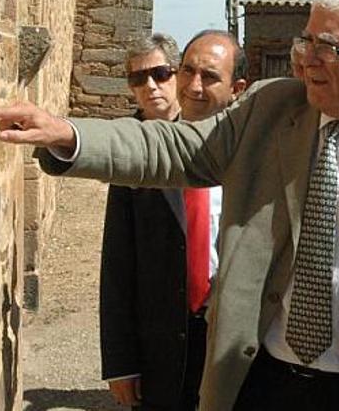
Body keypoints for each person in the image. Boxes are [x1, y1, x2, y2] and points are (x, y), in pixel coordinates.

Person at [0, 0, 339, 411]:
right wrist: (68, 133)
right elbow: (174, 147)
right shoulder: (270, 108)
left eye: (327, 46)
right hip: (257, 379)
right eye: (304, 41)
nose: (305, 60)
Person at [100, 31, 245, 410]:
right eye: (137, 79)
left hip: (226, 334)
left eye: (160, 73)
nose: (151, 87)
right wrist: (120, 363)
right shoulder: (133, 157)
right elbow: (117, 263)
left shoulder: (242, 148)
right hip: (161, 343)